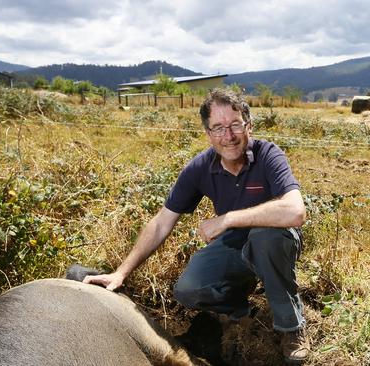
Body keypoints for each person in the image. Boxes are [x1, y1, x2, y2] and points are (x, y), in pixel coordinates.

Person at [83, 88, 310, 364]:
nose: (228, 136)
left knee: (265, 240)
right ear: (208, 134)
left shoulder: (268, 155)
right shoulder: (200, 167)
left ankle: (291, 327)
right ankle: (238, 311)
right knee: (188, 288)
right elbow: (161, 222)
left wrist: (228, 219)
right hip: (235, 244)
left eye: (235, 125)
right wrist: (121, 272)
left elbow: (296, 212)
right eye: (218, 128)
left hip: (277, 240)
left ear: (248, 125)